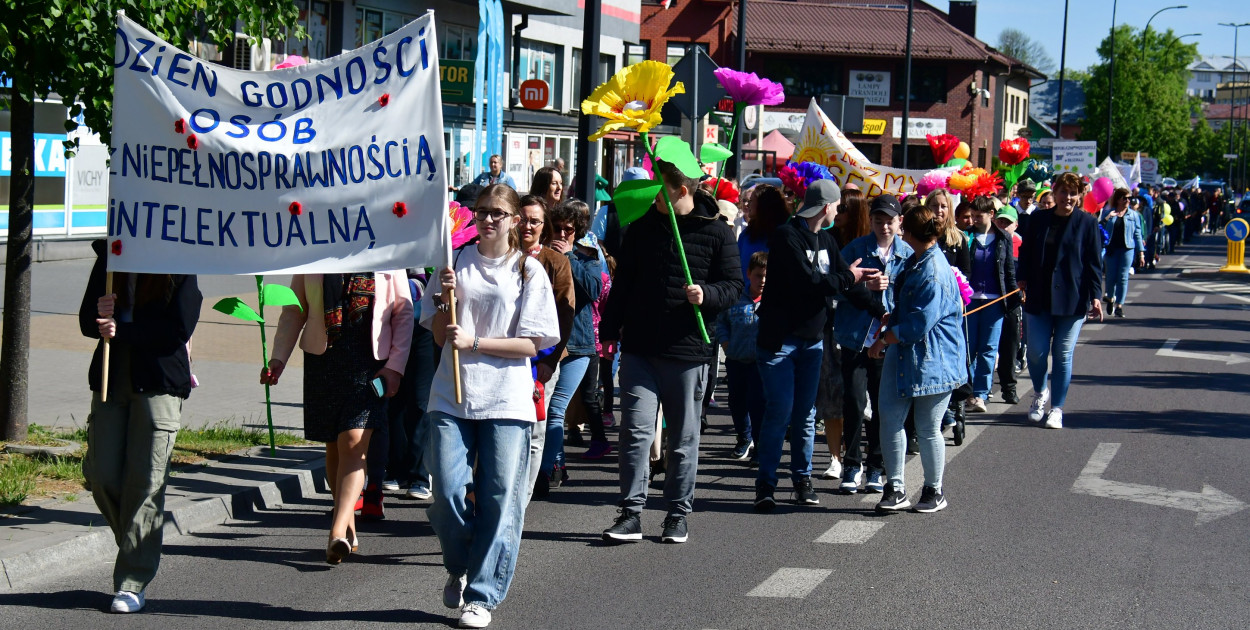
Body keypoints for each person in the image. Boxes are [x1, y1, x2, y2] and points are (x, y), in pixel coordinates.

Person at [420, 184, 561, 629]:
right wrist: (445, 300)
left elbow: (532, 343)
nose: (488, 219)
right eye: (481, 211)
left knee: (500, 498)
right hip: (451, 394)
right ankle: (458, 563)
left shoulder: (528, 271)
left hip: (506, 398)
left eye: (498, 213)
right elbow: (442, 335)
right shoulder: (454, 263)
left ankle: (482, 595)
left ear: (516, 220)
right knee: (445, 491)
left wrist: (478, 341)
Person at [599, 159, 742, 544]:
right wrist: (609, 331)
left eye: (660, 188)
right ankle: (630, 512)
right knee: (635, 432)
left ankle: (677, 514)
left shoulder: (717, 233)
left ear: (682, 191)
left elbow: (734, 286)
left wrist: (706, 294)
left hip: (688, 351)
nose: (652, 195)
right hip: (640, 348)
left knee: (682, 439)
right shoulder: (643, 227)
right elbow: (624, 283)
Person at [78, 241, 201, 614]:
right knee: (101, 475)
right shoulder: (111, 255)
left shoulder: (178, 258)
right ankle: (137, 544)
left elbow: (179, 327)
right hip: (112, 378)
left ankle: (132, 583)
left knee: (145, 482)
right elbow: (87, 322)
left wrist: (124, 330)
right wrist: (100, 316)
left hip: (158, 380)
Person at [265, 268, 413, 564]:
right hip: (324, 359)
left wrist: (396, 367)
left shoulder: (386, 255)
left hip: (371, 361)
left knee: (353, 442)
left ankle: (336, 532)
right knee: (334, 443)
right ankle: (348, 524)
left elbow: (403, 313)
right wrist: (278, 358)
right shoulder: (318, 251)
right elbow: (295, 309)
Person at [752, 180, 881, 512]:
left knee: (806, 415)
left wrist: (882, 312)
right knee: (780, 412)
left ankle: (802, 480)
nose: (839, 211)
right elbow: (811, 284)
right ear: (827, 207)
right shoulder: (786, 236)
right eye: (837, 205)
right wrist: (849, 277)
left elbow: (845, 282)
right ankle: (766, 485)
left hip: (812, 341)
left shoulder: (826, 239)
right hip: (779, 342)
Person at [868, 203, 966, 514]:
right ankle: (895, 487)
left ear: (908, 230)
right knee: (891, 419)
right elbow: (906, 314)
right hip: (906, 356)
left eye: (900, 224)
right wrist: (890, 320)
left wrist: (883, 339)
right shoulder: (916, 260)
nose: (896, 228)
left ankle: (934, 490)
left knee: (926, 427)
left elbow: (917, 324)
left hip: (933, 360)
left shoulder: (933, 270)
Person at [833, 194, 911, 495]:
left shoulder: (907, 254)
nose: (884, 227)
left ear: (899, 222)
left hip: (887, 341)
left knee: (883, 406)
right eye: (878, 221)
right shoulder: (856, 249)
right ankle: (851, 465)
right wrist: (861, 285)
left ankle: (876, 468)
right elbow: (835, 290)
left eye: (889, 221)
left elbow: (911, 297)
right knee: (853, 402)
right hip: (855, 338)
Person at [1018, 172, 1104, 430]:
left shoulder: (1087, 223)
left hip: (1072, 297)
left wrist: (1096, 296)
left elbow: (1093, 263)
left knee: (1063, 355)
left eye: (1073, 192)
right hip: (1039, 295)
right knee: (1035, 352)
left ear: (1079, 196)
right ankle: (1039, 392)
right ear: (1054, 193)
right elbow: (1026, 251)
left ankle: (1057, 409)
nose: (1068, 197)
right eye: (1063, 192)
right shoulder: (1038, 218)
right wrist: (1022, 277)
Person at [537, 199, 603, 485]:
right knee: (544, 409)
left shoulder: (587, 258)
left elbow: (593, 291)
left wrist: (570, 260)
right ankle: (557, 465)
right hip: (548, 344)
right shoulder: (539, 258)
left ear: (577, 233)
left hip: (577, 345)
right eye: (558, 229)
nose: (562, 234)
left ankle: (548, 470)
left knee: (556, 409)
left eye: (569, 230)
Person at [514, 195, 575, 503]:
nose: (527, 225)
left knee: (536, 431)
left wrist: (549, 363)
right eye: (522, 218)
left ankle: (521, 501)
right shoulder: (500, 256)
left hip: (542, 361)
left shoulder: (556, 263)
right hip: (504, 358)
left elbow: (565, 316)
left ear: (544, 226)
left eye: (535, 220)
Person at [962, 195, 1019, 413]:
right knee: (969, 348)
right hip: (969, 300)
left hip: (995, 301)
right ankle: (967, 391)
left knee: (988, 348)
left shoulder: (1003, 238)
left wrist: (1014, 297)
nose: (974, 220)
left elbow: (1009, 269)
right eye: (973, 216)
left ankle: (980, 394)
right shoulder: (966, 237)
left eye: (979, 216)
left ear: (991, 215)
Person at [716, 251, 768, 460]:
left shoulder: (773, 300)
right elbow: (722, 322)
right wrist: (726, 342)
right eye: (758, 275)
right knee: (737, 402)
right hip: (736, 359)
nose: (762, 281)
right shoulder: (736, 298)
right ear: (749, 274)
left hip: (760, 362)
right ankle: (744, 437)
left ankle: (760, 445)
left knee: (758, 403)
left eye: (766, 276)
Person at [993, 205, 1024, 404]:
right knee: (986, 348)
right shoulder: (990, 240)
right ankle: (981, 390)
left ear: (1015, 224)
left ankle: (1009, 388)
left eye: (1007, 222)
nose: (1003, 225)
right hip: (993, 298)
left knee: (1010, 346)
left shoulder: (1022, 243)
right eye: (1000, 221)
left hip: (1012, 301)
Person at [1100, 188, 1145, 318]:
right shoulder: (1109, 212)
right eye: (1124, 198)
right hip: (1111, 249)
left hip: (1127, 249)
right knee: (1110, 276)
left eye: (1129, 198)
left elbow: (1137, 234)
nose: (1127, 201)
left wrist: (1141, 253)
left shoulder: (1133, 215)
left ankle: (1119, 305)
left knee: (1123, 277)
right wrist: (1108, 218)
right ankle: (1110, 297)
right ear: (1118, 199)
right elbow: (1101, 228)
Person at [736, 184, 790, 282]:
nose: (747, 205)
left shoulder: (784, 235)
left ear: (763, 204)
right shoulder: (746, 235)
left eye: (751, 201)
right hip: (745, 294)